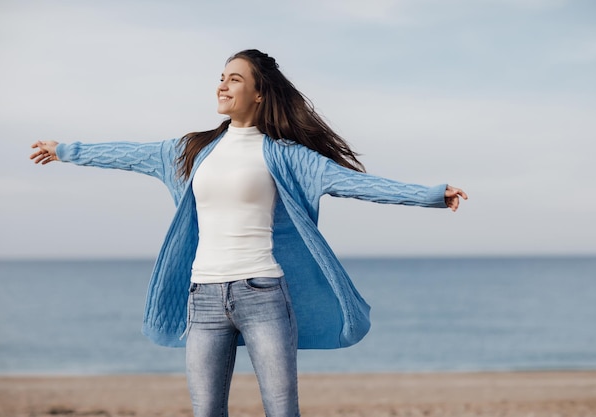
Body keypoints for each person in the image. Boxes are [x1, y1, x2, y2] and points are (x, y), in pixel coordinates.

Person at [30, 49, 468, 417]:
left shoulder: (287, 156)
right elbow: (127, 153)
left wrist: (430, 195)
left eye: (234, 79)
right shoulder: (190, 150)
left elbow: (356, 184)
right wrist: (66, 150)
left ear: (258, 93)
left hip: (263, 293)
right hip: (202, 298)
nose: (222, 86)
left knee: (281, 410)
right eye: (221, 78)